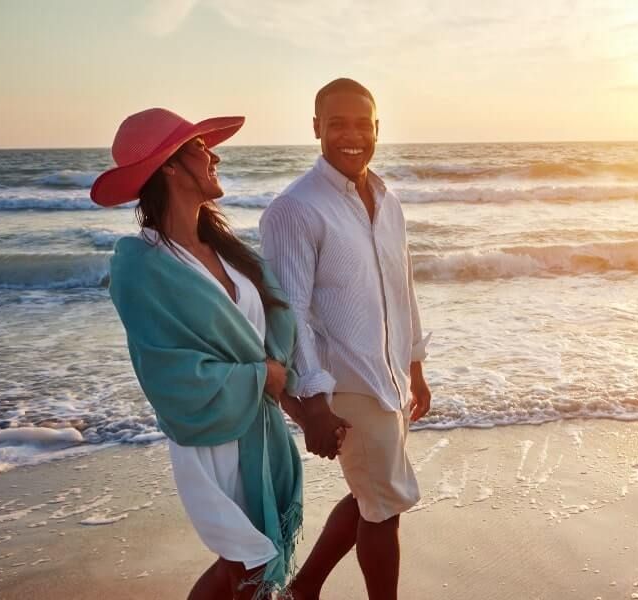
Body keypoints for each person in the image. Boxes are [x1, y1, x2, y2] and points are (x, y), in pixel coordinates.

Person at [92, 108, 310, 600]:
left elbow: (273, 323)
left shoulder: (231, 250)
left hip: (258, 425)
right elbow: (166, 372)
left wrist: (287, 386)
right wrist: (260, 377)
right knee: (246, 567)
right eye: (198, 147)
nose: (213, 154)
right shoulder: (142, 267)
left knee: (240, 569)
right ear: (168, 165)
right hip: (209, 432)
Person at [259, 77, 432, 600]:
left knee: (370, 495)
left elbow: (404, 288)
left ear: (378, 128)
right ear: (317, 128)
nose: (351, 135)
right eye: (338, 124)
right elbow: (290, 313)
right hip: (346, 382)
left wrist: (416, 367)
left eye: (363, 123)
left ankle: (303, 589)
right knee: (384, 509)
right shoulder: (295, 209)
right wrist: (313, 400)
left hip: (390, 379)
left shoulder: (387, 199)